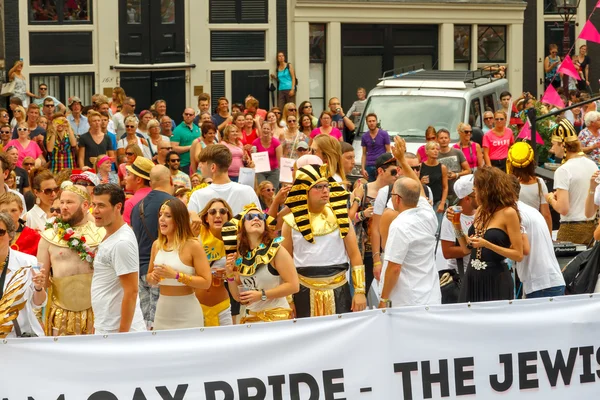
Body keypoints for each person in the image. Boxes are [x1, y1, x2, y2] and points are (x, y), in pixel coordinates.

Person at [281, 164, 367, 317]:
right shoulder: (290, 222)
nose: (325, 190)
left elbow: (355, 255)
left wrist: (359, 291)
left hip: (339, 289)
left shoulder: (341, 218)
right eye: (318, 187)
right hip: (302, 291)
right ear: (305, 191)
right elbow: (285, 262)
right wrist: (288, 299)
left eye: (326, 186)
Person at [378, 136, 442, 308]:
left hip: (406, 301)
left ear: (397, 199)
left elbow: (394, 268)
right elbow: (418, 187)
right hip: (430, 295)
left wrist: (383, 299)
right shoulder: (428, 214)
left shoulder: (400, 226)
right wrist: (401, 159)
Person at [38, 184, 105, 335]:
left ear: (85, 205)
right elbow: (40, 280)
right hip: (59, 314)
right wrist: (37, 317)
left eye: (69, 202)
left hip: (95, 312)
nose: (64, 207)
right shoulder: (48, 236)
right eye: (62, 202)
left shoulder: (102, 234)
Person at [451, 167, 524, 302]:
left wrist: (488, 245)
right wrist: (456, 224)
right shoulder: (480, 211)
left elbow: (518, 255)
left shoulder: (508, 213)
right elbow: (466, 248)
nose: (475, 194)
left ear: (487, 190)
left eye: (476, 190)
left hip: (496, 277)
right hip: (472, 276)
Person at [222, 204, 298, 323]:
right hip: (251, 319)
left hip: (276, 318)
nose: (256, 219)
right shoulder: (240, 256)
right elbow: (238, 297)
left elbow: (293, 285)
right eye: (250, 217)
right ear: (242, 225)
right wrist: (230, 275)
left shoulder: (277, 250)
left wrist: (262, 295)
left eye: (260, 216)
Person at [146, 199, 211, 329]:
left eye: (168, 216)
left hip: (188, 314)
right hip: (162, 313)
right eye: (160, 215)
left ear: (179, 220)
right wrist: (152, 278)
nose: (162, 219)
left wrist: (176, 275)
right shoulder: (157, 245)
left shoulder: (193, 245)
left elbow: (206, 282)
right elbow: (148, 277)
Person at [91, 184, 146, 334]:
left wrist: (122, 335)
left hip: (118, 331)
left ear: (118, 207)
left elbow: (132, 291)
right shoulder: (112, 235)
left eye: (101, 205)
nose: (95, 211)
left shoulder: (122, 243)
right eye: (94, 204)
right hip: (107, 325)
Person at [130, 165, 174, 328]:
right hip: (164, 270)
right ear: (170, 180)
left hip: (141, 270)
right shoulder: (173, 205)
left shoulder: (136, 207)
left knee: (144, 322)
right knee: (161, 323)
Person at [507, 176, 565, 298]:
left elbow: (522, 251)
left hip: (541, 285)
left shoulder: (516, 214)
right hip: (546, 282)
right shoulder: (528, 210)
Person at [350, 153, 398, 297]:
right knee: (359, 293)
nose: (396, 175)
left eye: (398, 172)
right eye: (393, 172)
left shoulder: (396, 194)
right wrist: (363, 214)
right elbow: (347, 219)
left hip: (388, 250)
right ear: (380, 171)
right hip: (364, 250)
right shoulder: (362, 190)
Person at [547, 119, 597, 245]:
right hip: (592, 227)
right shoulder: (592, 164)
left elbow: (563, 208)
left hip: (571, 228)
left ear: (563, 145)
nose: (552, 149)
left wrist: (550, 199)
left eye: (554, 144)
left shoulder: (563, 170)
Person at [0, 212, 47, 338]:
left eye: (0, 232)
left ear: (10, 235)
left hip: (20, 336)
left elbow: (38, 303)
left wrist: (38, 287)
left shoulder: (28, 262)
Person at [189, 144, 261, 216]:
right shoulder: (248, 191)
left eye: (202, 162)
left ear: (213, 167)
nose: (199, 166)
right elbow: (259, 220)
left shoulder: (197, 195)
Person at [438, 175, 477, 303]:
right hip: (462, 278)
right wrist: (474, 248)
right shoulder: (451, 216)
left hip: (480, 276)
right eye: (477, 193)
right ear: (466, 198)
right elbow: (447, 252)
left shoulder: (482, 212)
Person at [196, 198, 234, 326]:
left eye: (223, 212)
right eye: (212, 212)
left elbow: (240, 267)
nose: (218, 215)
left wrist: (229, 274)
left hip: (222, 305)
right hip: (196, 305)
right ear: (206, 218)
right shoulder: (197, 236)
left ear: (228, 216)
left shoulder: (235, 241)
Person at [507, 142, 552, 234]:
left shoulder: (506, 183)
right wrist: (549, 237)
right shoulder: (540, 183)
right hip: (534, 229)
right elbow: (546, 214)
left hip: (515, 228)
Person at [0, 192, 41, 256]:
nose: (9, 215)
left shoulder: (33, 236)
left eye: (13, 210)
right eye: (4, 211)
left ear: (21, 210)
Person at [437, 128, 471, 204]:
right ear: (437, 140)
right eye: (441, 138)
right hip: (441, 193)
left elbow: (468, 170)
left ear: (449, 139)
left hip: (457, 191)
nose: (444, 140)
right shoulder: (435, 155)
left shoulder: (457, 152)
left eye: (446, 138)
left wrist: (456, 174)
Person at [122, 157, 154, 225]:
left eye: (128, 174)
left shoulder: (130, 203)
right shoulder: (159, 196)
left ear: (138, 180)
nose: (125, 178)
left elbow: (128, 233)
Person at [360, 113, 390, 182]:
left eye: (373, 121)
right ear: (367, 123)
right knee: (370, 186)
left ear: (376, 122)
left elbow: (388, 152)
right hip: (369, 165)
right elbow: (364, 154)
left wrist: (387, 166)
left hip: (381, 165)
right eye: (369, 121)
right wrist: (363, 169)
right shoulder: (364, 136)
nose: (372, 123)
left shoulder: (384, 134)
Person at [421, 141, 448, 217]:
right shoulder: (420, 167)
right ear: (426, 151)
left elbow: (445, 187)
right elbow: (415, 185)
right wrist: (421, 182)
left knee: (437, 226)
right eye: (433, 149)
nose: (436, 151)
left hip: (437, 202)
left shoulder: (442, 167)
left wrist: (442, 203)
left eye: (437, 149)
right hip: (424, 201)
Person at [27, 168, 58, 232]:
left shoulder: (59, 214)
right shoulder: (29, 217)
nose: (53, 194)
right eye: (48, 191)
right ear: (36, 192)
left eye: (56, 189)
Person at [171, 107, 201, 174]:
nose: (188, 116)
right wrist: (191, 147)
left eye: (190, 115)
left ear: (194, 116)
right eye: (186, 114)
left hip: (197, 163)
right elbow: (173, 148)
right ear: (183, 115)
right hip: (184, 165)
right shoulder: (177, 130)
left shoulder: (197, 129)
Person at [253, 121, 282, 188]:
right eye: (264, 128)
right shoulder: (255, 143)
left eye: (268, 129)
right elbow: (254, 159)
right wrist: (252, 153)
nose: (266, 130)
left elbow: (279, 160)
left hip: (273, 171)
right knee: (262, 190)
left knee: (272, 191)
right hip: (260, 171)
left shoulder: (276, 143)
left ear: (271, 130)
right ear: (261, 129)